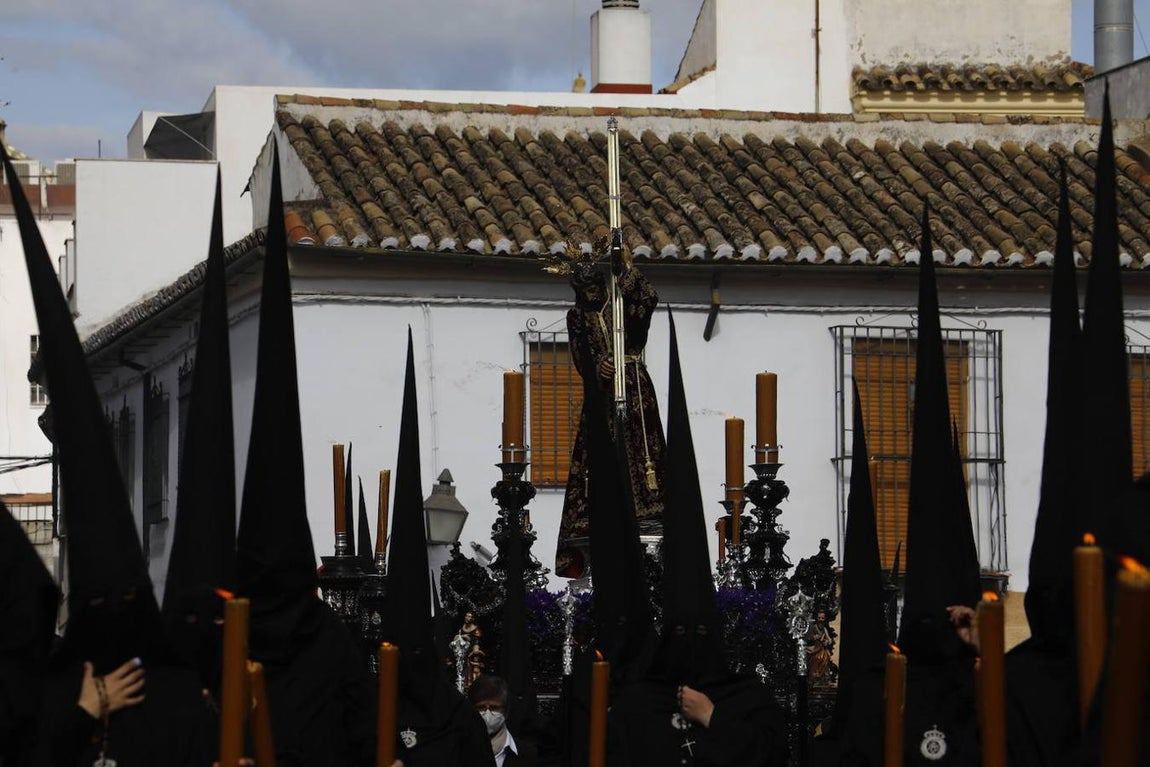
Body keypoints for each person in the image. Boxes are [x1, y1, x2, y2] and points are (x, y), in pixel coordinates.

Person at [556, 244, 666, 578]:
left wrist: (626, 267)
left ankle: (649, 508)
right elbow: (579, 356)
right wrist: (597, 368)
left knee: (641, 448)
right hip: (601, 398)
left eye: (593, 286)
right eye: (583, 289)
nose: (590, 294)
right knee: (598, 453)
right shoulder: (576, 317)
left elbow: (648, 300)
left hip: (633, 387)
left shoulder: (622, 303)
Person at [469, 675, 538, 767]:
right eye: (481, 708)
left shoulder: (527, 753)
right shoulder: (458, 750)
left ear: (506, 711)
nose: (487, 714)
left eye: (494, 708)